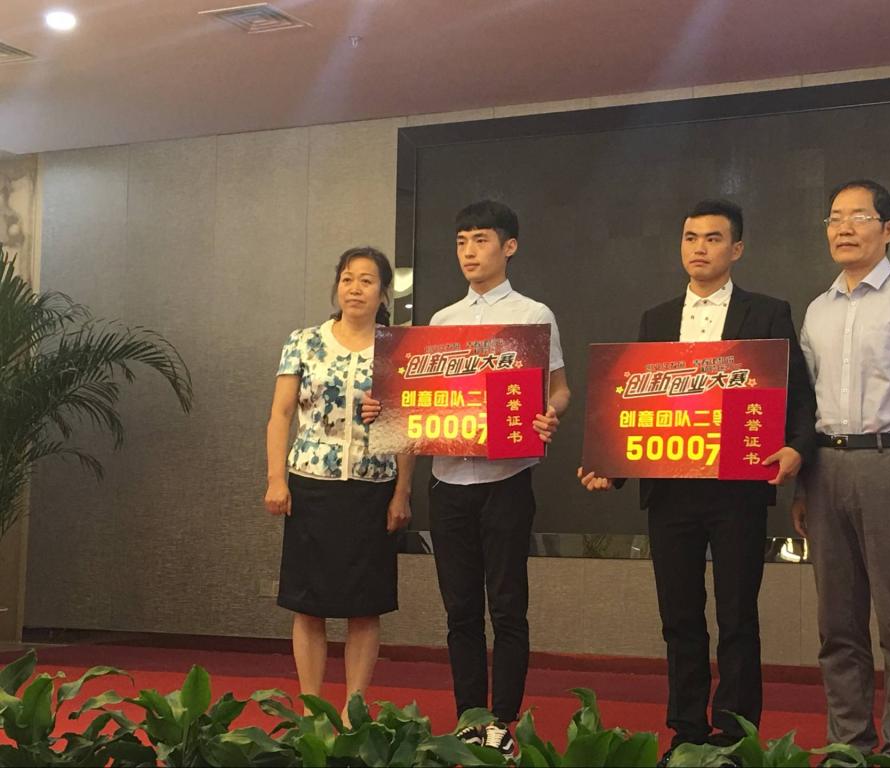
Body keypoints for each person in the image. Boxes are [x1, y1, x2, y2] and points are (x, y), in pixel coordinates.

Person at [579, 199, 816, 766]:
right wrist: (610, 467)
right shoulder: (656, 319)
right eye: (690, 238)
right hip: (671, 491)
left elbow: (800, 401)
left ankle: (734, 736)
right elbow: (637, 409)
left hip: (738, 490)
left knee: (737, 616)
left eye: (712, 238)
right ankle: (685, 732)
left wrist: (797, 449)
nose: (699, 248)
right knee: (679, 617)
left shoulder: (769, 314)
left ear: (737, 249)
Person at [364, 200, 570, 758]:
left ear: (509, 246)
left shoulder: (533, 314)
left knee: (507, 605)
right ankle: (469, 718)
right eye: (461, 242)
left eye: (480, 240)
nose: (469, 252)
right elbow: (413, 405)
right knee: (459, 610)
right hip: (449, 481)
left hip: (508, 479)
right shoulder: (441, 322)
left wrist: (549, 414)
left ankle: (504, 721)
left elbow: (559, 388)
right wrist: (384, 410)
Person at [794, 180, 890, 764]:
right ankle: (849, 747)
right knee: (837, 626)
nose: (843, 227)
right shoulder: (817, 309)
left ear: (889, 230)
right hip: (826, 468)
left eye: (858, 217)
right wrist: (805, 485)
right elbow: (805, 406)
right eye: (835, 217)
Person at [264, 246, 413, 726]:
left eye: (367, 280)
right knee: (308, 605)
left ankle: (353, 710)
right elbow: (280, 414)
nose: (355, 288)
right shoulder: (304, 342)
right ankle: (311, 709)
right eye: (348, 279)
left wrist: (402, 493)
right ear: (337, 286)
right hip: (312, 484)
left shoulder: (397, 349)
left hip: (372, 487)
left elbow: (407, 426)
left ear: (383, 292)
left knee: (364, 607)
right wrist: (275, 479)